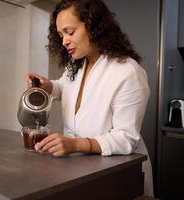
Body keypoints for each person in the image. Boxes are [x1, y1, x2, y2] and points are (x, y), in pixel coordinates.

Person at [26, 0, 153, 197]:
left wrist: (74, 144)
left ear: (94, 27)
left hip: (119, 174)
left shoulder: (128, 72)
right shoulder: (77, 65)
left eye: (70, 32)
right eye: (60, 35)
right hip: (82, 168)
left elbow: (126, 138)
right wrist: (47, 85)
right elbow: (64, 87)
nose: (64, 41)